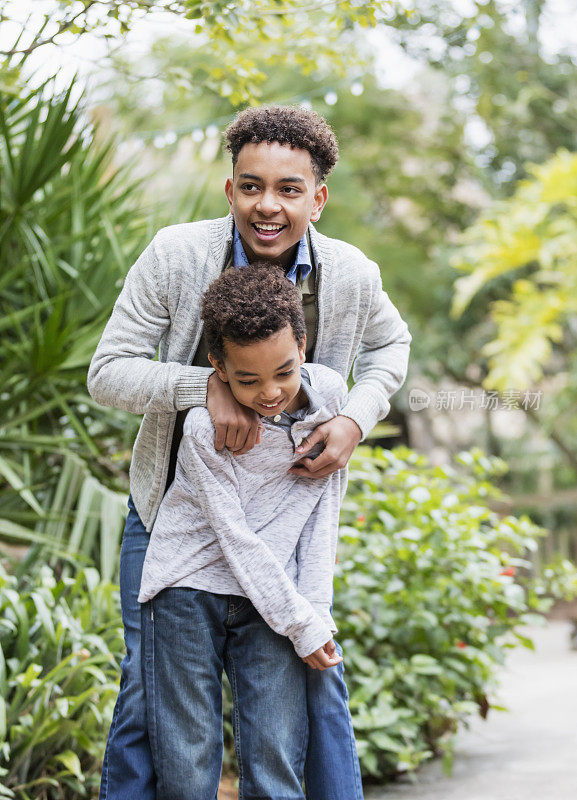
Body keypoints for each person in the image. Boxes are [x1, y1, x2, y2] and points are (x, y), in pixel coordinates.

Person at [88, 104, 411, 800]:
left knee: (315, 686)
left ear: (317, 198)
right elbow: (107, 371)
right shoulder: (177, 256)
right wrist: (205, 386)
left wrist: (356, 417)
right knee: (150, 699)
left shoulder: (349, 274)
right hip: (173, 518)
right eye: (251, 185)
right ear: (229, 188)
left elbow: (393, 346)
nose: (268, 205)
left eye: (289, 189)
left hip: (287, 521)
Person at [139, 263, 350, 799]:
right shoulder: (204, 429)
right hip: (188, 588)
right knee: (187, 763)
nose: (271, 392)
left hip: (272, 597)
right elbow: (234, 536)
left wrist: (313, 614)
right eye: (247, 380)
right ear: (218, 367)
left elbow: (322, 513)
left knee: (276, 756)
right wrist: (300, 622)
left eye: (283, 371)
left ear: (302, 345)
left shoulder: (328, 402)